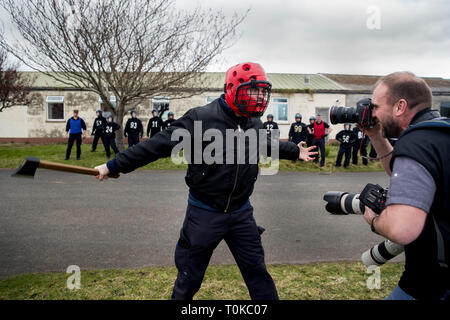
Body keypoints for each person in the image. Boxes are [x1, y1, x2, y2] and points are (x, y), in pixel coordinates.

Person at [94, 62, 317, 300]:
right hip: (204, 214)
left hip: (242, 214)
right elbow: (155, 145)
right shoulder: (200, 118)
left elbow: (262, 144)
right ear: (233, 88)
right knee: (189, 279)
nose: (260, 97)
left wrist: (294, 151)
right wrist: (112, 165)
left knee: (258, 273)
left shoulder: (253, 121)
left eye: (262, 91)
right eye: (254, 90)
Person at [361, 72, 449, 300]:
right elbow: (413, 176)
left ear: (400, 107)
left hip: (430, 283)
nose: (374, 114)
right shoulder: (439, 134)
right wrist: (376, 137)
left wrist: (374, 220)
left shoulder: (416, 143)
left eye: (377, 107)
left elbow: (402, 229)